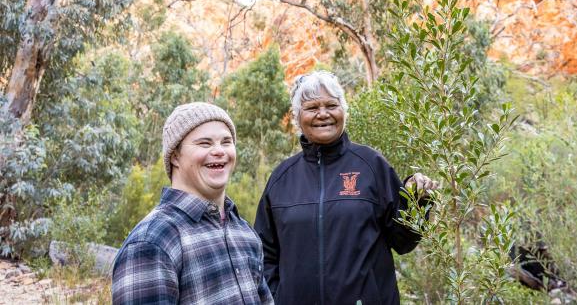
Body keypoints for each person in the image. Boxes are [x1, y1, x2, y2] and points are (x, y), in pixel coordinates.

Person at [254, 71, 439, 305]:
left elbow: (404, 241)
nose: (323, 114)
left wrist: (417, 201)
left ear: (343, 110)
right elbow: (263, 254)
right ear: (298, 116)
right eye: (312, 108)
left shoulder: (371, 165)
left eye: (331, 105)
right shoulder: (282, 178)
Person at [112, 102, 273, 304]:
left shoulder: (244, 232)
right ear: (175, 156)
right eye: (205, 143)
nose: (219, 151)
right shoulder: (151, 242)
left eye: (226, 142)